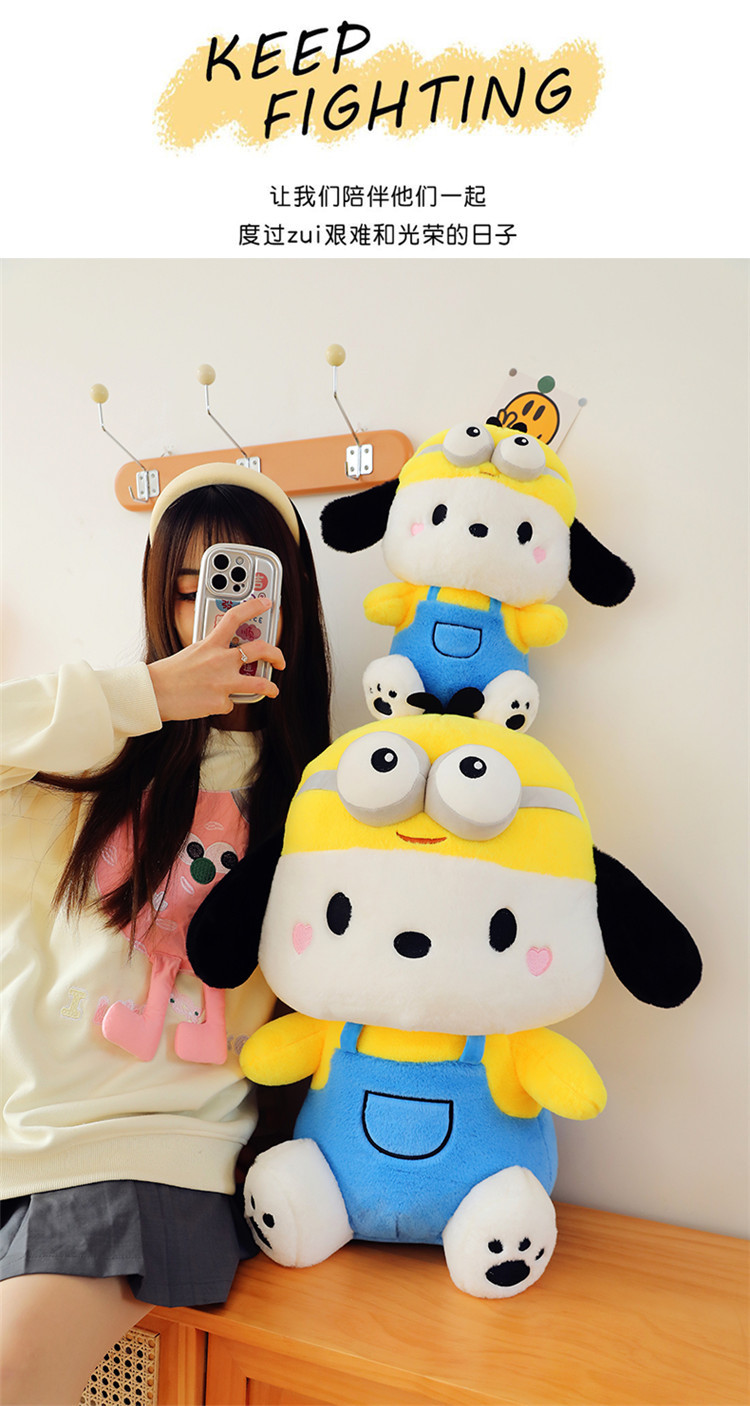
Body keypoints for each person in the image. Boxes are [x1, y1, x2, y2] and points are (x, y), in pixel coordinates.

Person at [0, 464, 331, 1405]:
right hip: (17, 1133)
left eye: (244, 587)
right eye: (192, 591)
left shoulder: (325, 793)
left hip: (150, 1152)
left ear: (290, 604)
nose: (219, 617)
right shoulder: (84, 754)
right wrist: (141, 696)